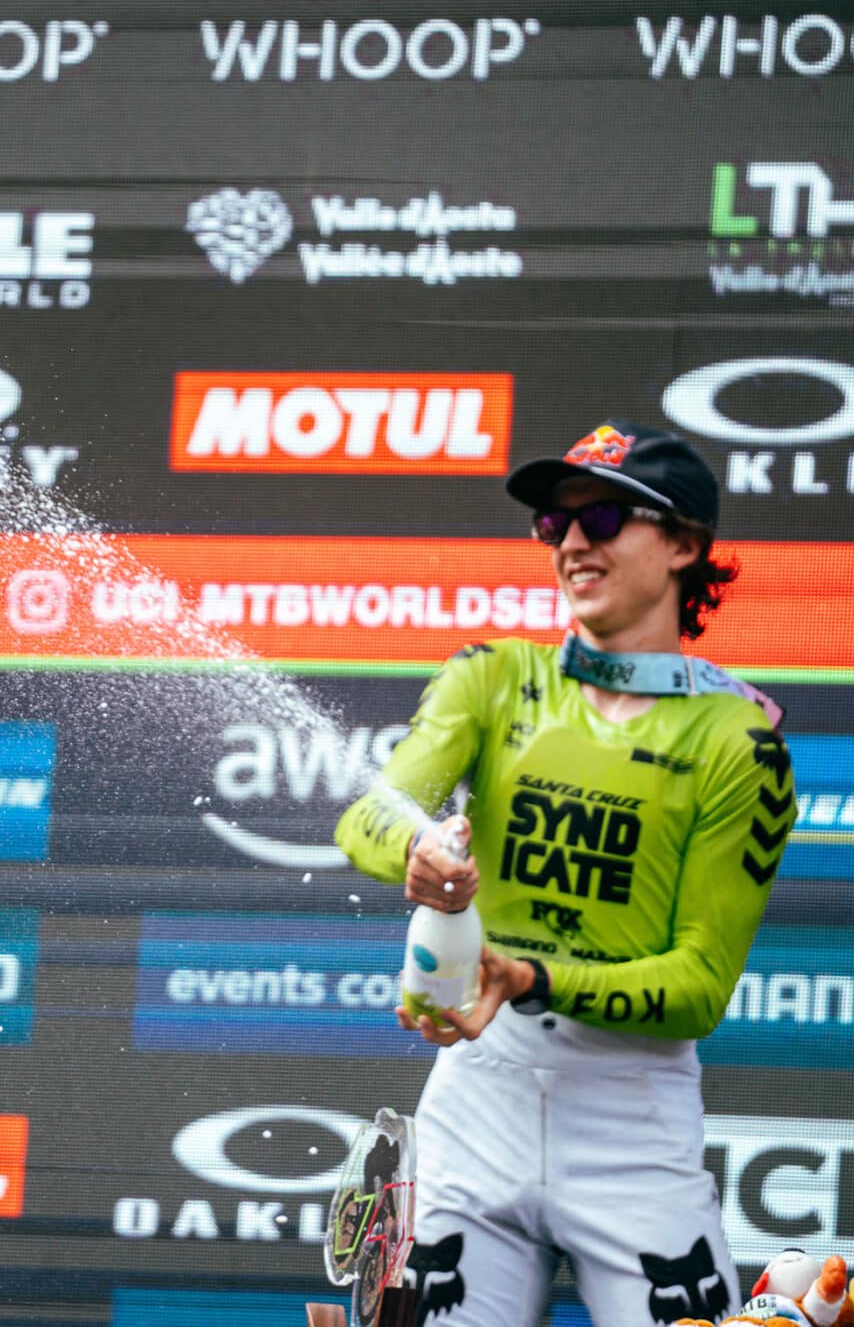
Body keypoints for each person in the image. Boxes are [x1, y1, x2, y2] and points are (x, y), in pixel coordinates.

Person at [334, 423, 796, 1326]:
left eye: (606, 517)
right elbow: (370, 815)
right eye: (556, 522)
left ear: (684, 544)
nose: (574, 541)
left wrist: (526, 975)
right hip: (477, 1099)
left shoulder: (741, 742)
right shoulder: (492, 675)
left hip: (634, 1124)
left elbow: (700, 986)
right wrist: (418, 854)